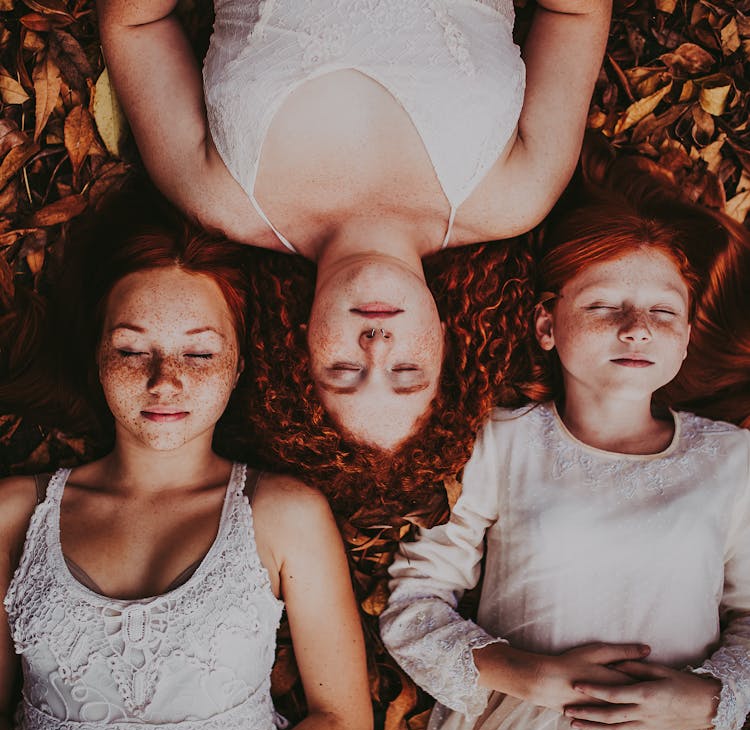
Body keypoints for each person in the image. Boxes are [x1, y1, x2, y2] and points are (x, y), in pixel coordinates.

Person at [95, 0, 612, 450]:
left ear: (302, 348)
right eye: (407, 372)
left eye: (344, 372)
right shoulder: (517, 195)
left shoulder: (219, 198)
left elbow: (135, 26)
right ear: (445, 340)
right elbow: (576, 12)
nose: (377, 344)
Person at [379, 147, 750, 730]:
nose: (637, 327)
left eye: (663, 310)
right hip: (521, 726)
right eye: (603, 306)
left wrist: (711, 698)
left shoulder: (733, 461)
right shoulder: (502, 441)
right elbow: (415, 601)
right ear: (547, 325)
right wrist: (523, 671)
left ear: (684, 337)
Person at [0, 185, 372, 730]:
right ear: (97, 354)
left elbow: (342, 724)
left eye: (199, 353)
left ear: (239, 362)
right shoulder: (12, 516)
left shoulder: (282, 515)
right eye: (130, 350)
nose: (165, 380)